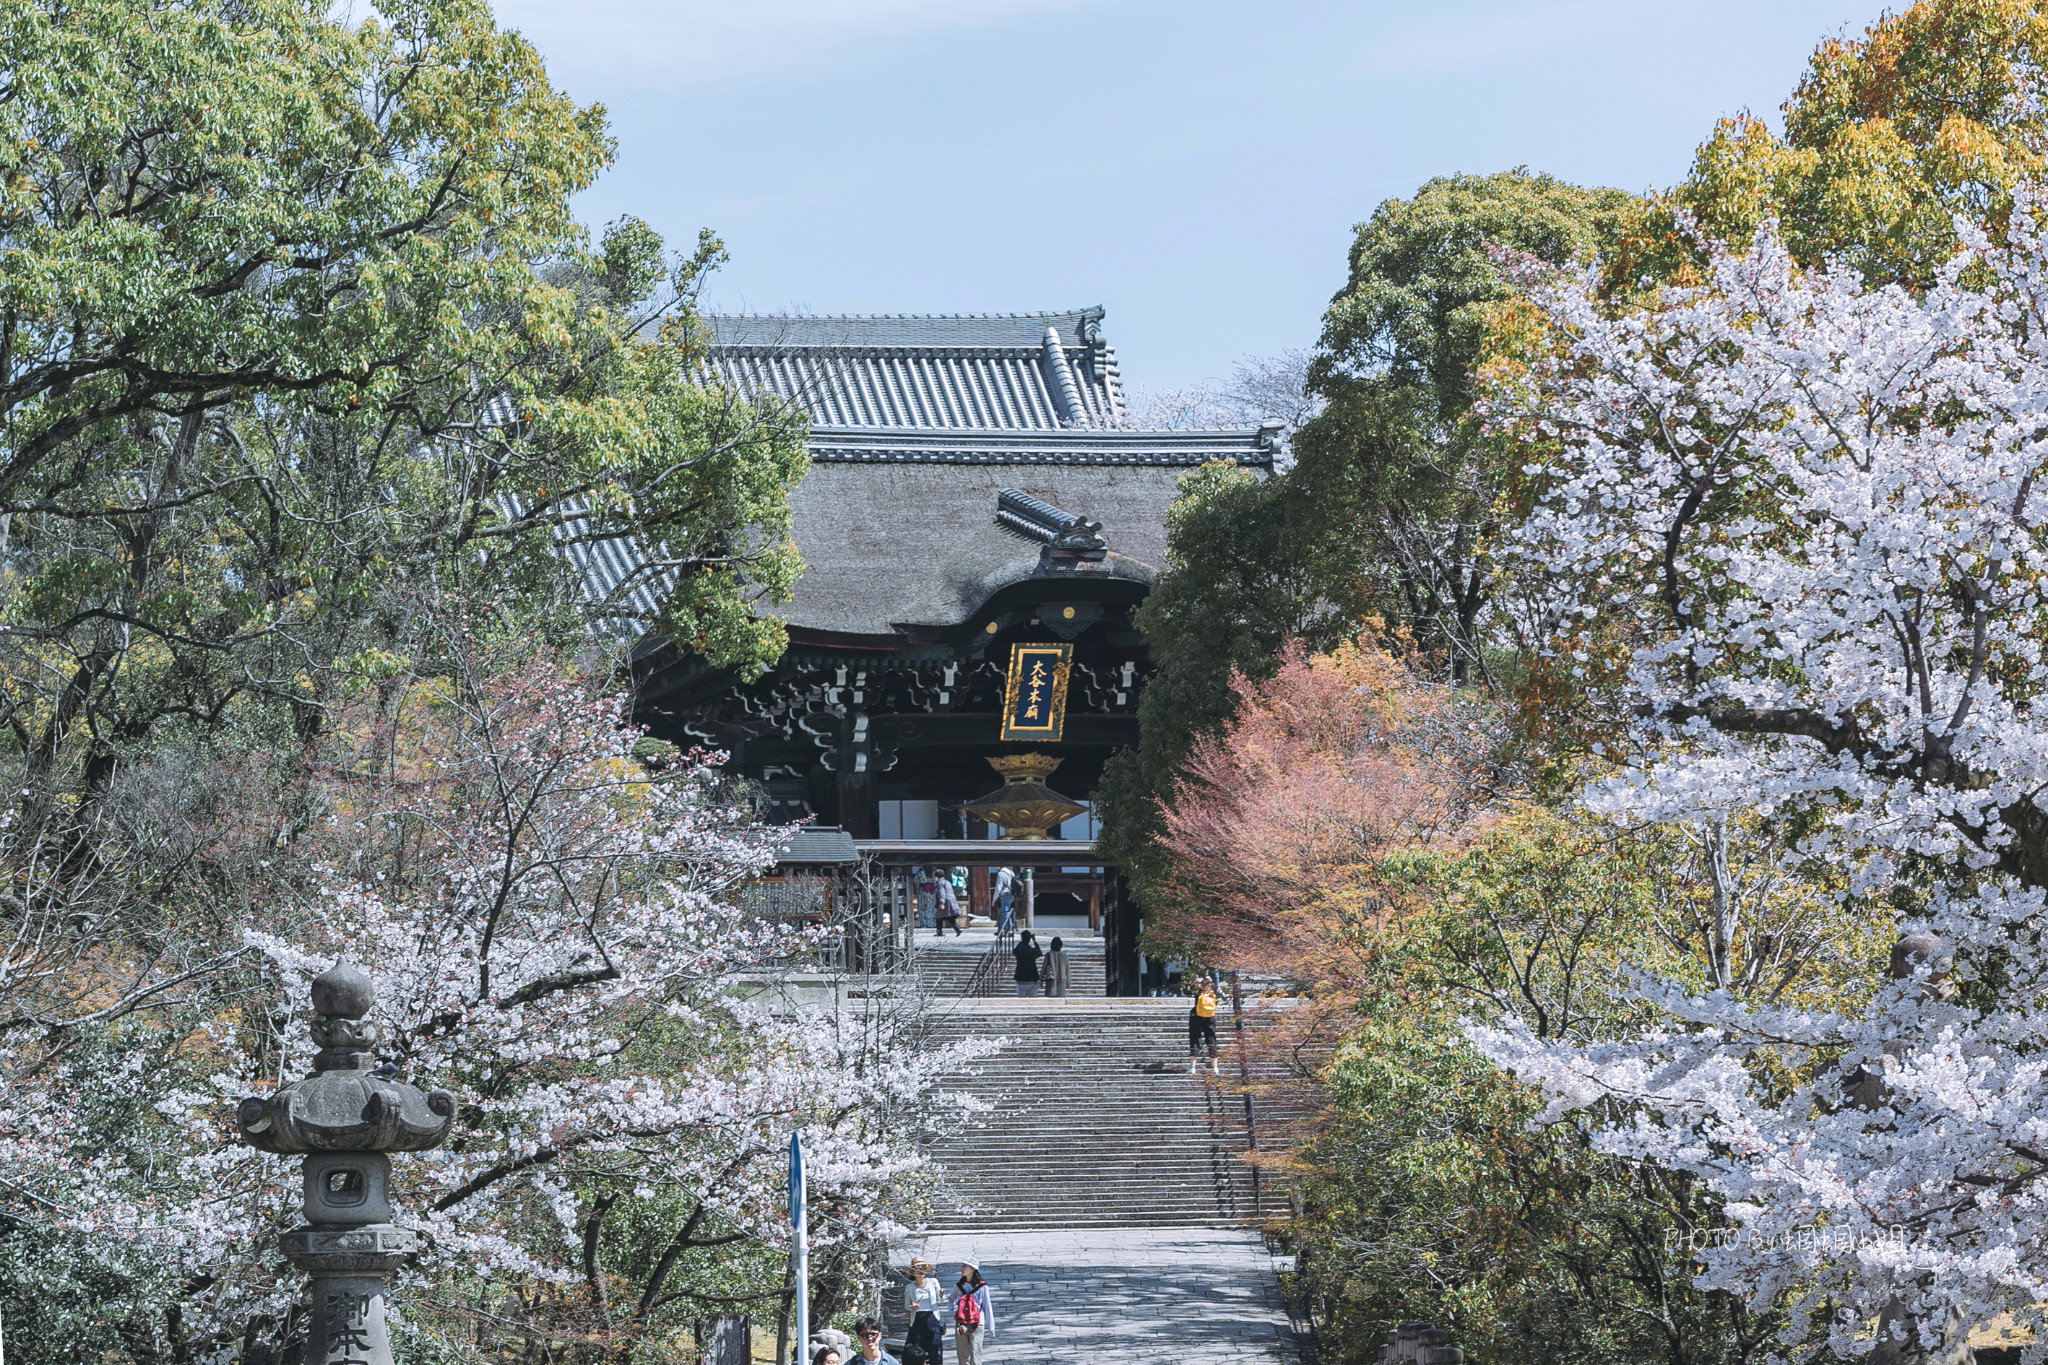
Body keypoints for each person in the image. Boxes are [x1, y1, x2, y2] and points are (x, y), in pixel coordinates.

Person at [903, 1255, 946, 1365]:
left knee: (936, 1350)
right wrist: (912, 1306)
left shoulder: (933, 1282)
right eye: (918, 1268)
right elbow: (906, 1306)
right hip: (917, 1320)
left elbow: (940, 1301)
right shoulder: (910, 1287)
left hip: (932, 1319)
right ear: (913, 1272)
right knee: (917, 1351)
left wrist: (941, 1295)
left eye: (923, 1268)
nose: (921, 1271)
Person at [953, 1256, 995, 1365]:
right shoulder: (958, 1285)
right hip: (961, 1324)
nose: (962, 1268)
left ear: (973, 1269)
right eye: (962, 1266)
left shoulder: (982, 1287)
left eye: (965, 1266)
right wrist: (954, 1313)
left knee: (976, 1355)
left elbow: (987, 1307)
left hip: (977, 1324)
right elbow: (950, 1300)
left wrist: (991, 1328)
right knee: (963, 1357)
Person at [1188, 978, 1220, 1074]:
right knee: (1211, 1039)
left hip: (1196, 1017)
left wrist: (1196, 981)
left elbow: (1188, 989)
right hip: (1210, 1018)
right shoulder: (1213, 993)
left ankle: (1192, 1067)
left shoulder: (1199, 992)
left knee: (1195, 1039)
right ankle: (1215, 1067)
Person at [1012, 930, 1042, 998]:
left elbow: (1014, 951)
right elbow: (1040, 953)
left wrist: (1022, 941)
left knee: (1021, 999)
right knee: (1033, 1001)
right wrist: (1034, 941)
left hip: (1020, 978)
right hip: (1032, 977)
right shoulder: (1033, 951)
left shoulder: (1017, 951)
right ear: (1029, 939)